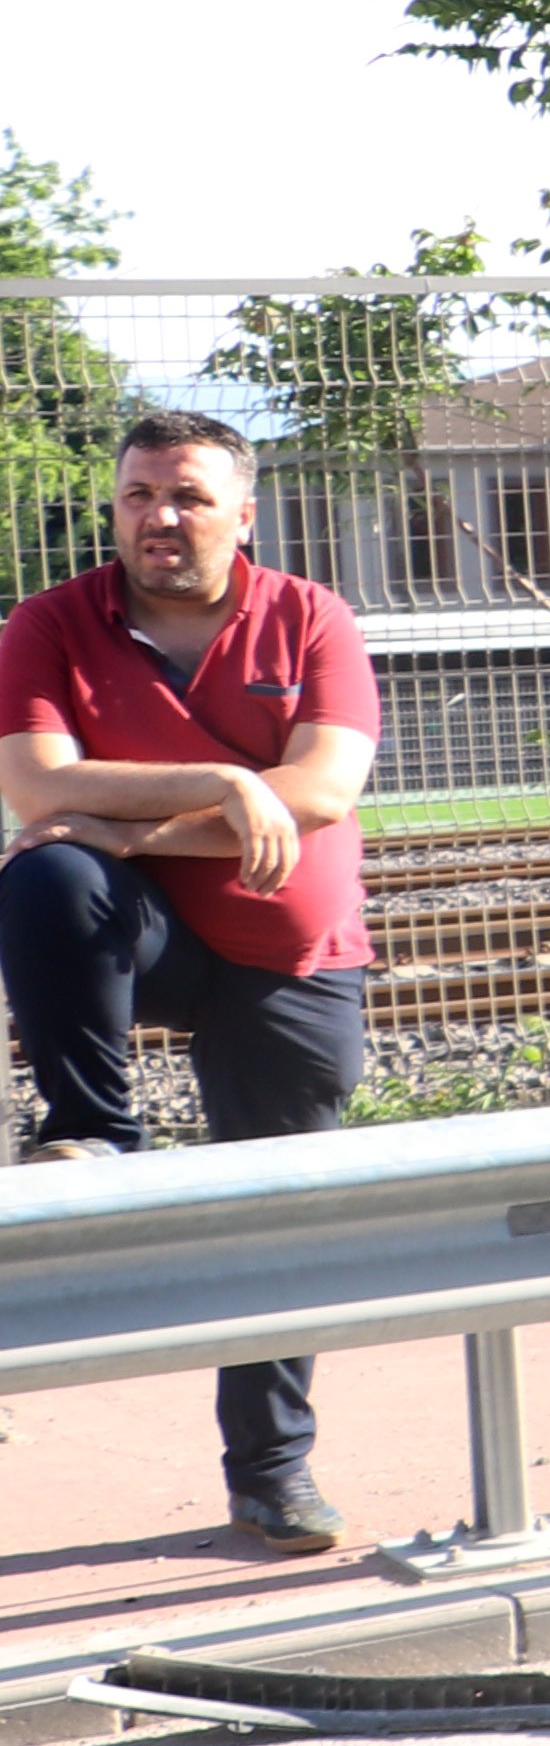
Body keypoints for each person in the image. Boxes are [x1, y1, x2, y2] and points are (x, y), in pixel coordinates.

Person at [0, 413, 386, 1553]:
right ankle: (91, 1126)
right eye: (136, 496)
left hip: (292, 962)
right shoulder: (49, 623)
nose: (159, 517)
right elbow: (36, 784)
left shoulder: (312, 617)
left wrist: (138, 823)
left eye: (187, 496)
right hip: (151, 940)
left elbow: (317, 791)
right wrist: (226, 782)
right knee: (49, 872)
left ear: (242, 513)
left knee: (276, 1221)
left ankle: (272, 1474)